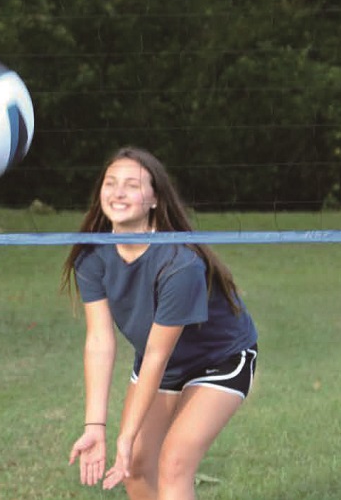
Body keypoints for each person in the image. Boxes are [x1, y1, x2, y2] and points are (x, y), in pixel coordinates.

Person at [61, 146, 258, 499]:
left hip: (219, 360)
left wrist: (125, 436)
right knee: (136, 468)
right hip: (161, 362)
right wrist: (96, 426)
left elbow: (156, 355)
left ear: (154, 199)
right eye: (110, 182)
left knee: (173, 464)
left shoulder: (180, 264)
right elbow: (100, 342)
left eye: (132, 185)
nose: (118, 192)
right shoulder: (91, 253)